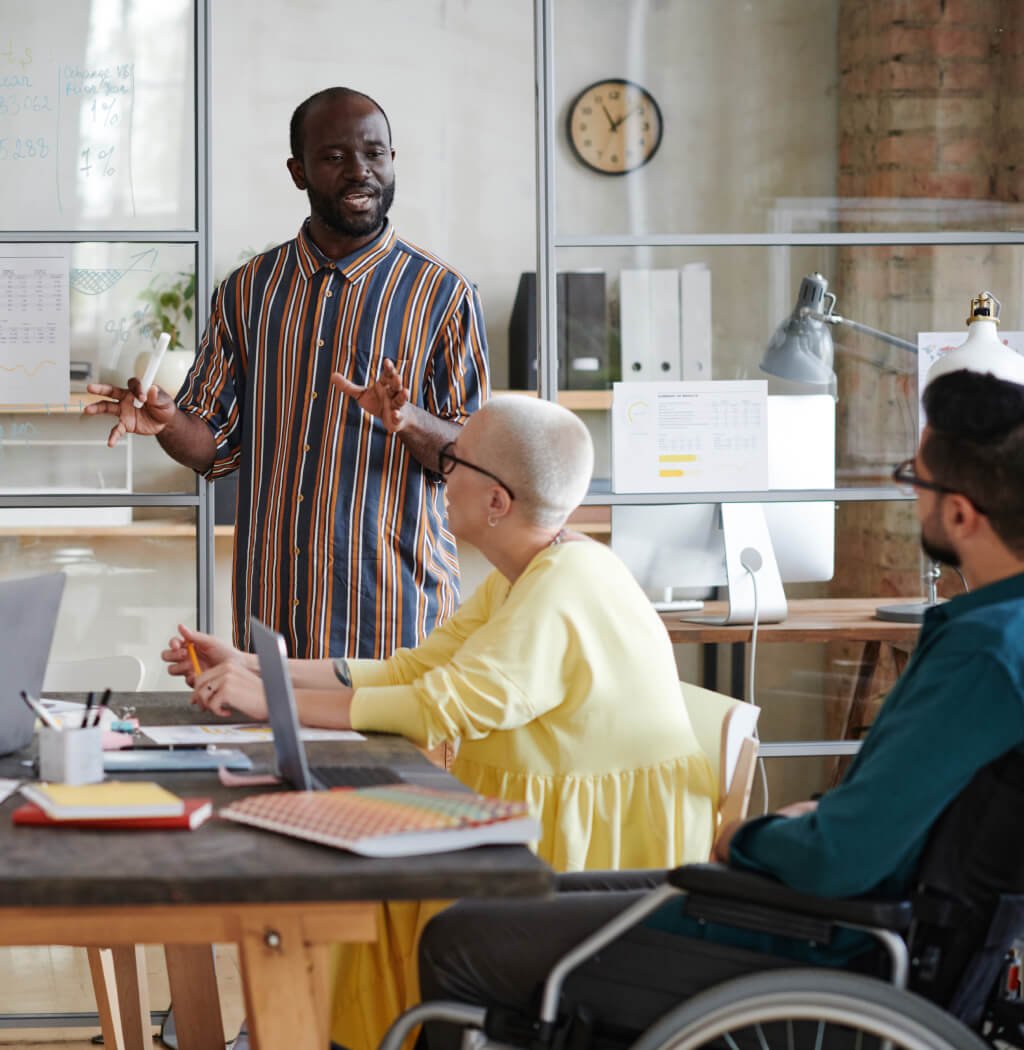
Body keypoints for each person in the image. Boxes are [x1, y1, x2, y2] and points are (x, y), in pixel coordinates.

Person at [412, 367, 1024, 1048]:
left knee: (456, 940)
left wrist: (744, 837)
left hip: (822, 941)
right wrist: (819, 819)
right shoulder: (999, 634)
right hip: (835, 914)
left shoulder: (984, 656)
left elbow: (835, 860)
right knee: (519, 905)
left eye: (916, 479)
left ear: (961, 514)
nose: (909, 495)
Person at [163, 394, 717, 1050]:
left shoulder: (564, 587)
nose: (441, 474)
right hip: (520, 825)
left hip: (581, 853)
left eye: (455, 460)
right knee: (366, 898)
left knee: (367, 898)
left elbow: (438, 708)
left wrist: (269, 700)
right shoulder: (529, 572)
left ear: (497, 501)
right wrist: (257, 667)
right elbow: (415, 669)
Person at [86, 86, 490, 660]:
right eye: (335, 156)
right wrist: (168, 422)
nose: (360, 171)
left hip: (395, 621)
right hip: (271, 619)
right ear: (298, 171)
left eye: (374, 153)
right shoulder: (248, 291)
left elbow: (472, 459)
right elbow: (215, 446)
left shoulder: (444, 295)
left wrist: (408, 420)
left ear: (392, 160)